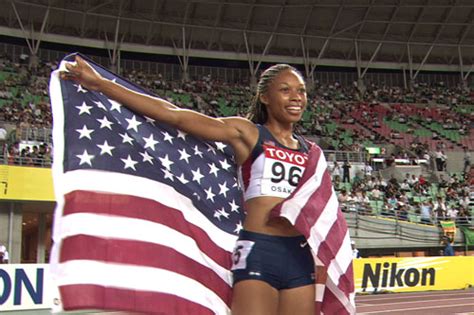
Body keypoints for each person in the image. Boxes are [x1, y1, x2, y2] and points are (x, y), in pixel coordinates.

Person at [62, 56, 325, 314]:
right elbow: (174, 116)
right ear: (265, 97)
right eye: (285, 90)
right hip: (260, 248)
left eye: (301, 91)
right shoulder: (248, 133)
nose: (296, 97)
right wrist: (101, 85)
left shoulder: (312, 152)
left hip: (299, 255)